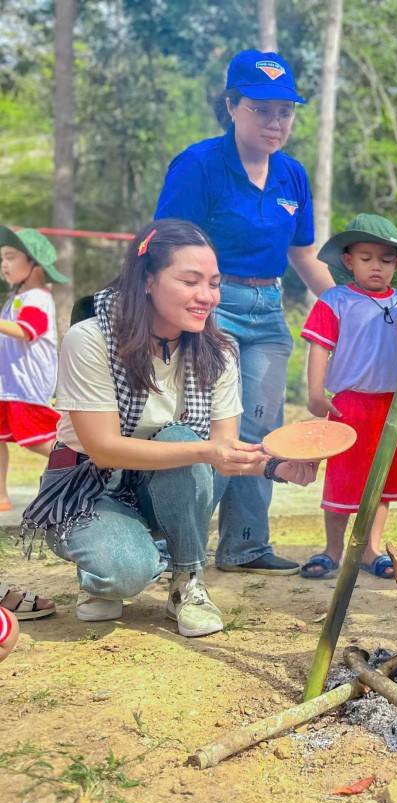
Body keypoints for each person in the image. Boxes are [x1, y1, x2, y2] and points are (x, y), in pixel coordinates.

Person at [20, 220, 317, 636]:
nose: (206, 296)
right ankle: (111, 566)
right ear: (147, 280)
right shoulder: (91, 339)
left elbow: (223, 449)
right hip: (89, 487)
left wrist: (275, 467)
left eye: (214, 283)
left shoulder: (219, 352)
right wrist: (206, 451)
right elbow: (103, 448)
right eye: (190, 281)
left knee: (182, 440)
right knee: (125, 570)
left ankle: (186, 580)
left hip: (169, 486)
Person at [155, 50, 335, 575]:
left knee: (261, 425)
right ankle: (176, 547)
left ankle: (246, 546)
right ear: (232, 106)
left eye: (285, 111)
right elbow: (166, 244)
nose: (275, 122)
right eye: (261, 109)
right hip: (210, 305)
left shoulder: (292, 175)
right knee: (213, 425)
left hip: (269, 309)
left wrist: (348, 309)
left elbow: (304, 253)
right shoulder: (199, 165)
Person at [299, 214, 397, 580]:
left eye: (386, 259)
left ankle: (372, 550)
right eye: (366, 258)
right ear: (348, 260)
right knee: (343, 477)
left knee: (381, 479)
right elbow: (319, 348)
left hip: (396, 404)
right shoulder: (335, 300)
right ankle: (333, 549)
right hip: (350, 404)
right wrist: (315, 393)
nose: (376, 266)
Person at [0, 226, 64, 621]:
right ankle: (1, 494)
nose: (4, 264)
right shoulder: (17, 298)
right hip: (8, 387)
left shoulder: (38, 297)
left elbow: (27, 332)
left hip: (27, 390)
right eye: (2, 258)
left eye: (10, 257)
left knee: (40, 441)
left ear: (34, 264)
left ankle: (84, 463)